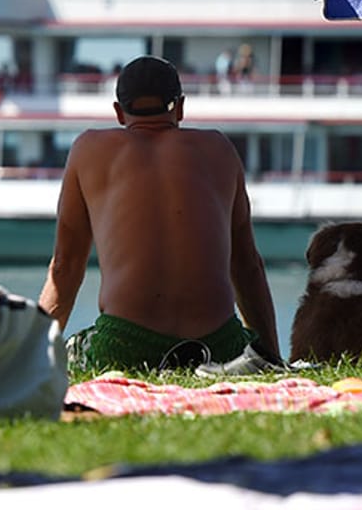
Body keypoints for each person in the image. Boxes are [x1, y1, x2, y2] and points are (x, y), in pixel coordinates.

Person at [38, 55, 280, 371]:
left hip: (125, 346)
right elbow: (248, 266)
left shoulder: (88, 149)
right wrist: (272, 358)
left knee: (72, 352)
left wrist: (27, 358)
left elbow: (65, 269)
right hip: (219, 346)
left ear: (118, 112)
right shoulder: (219, 148)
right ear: (180, 107)